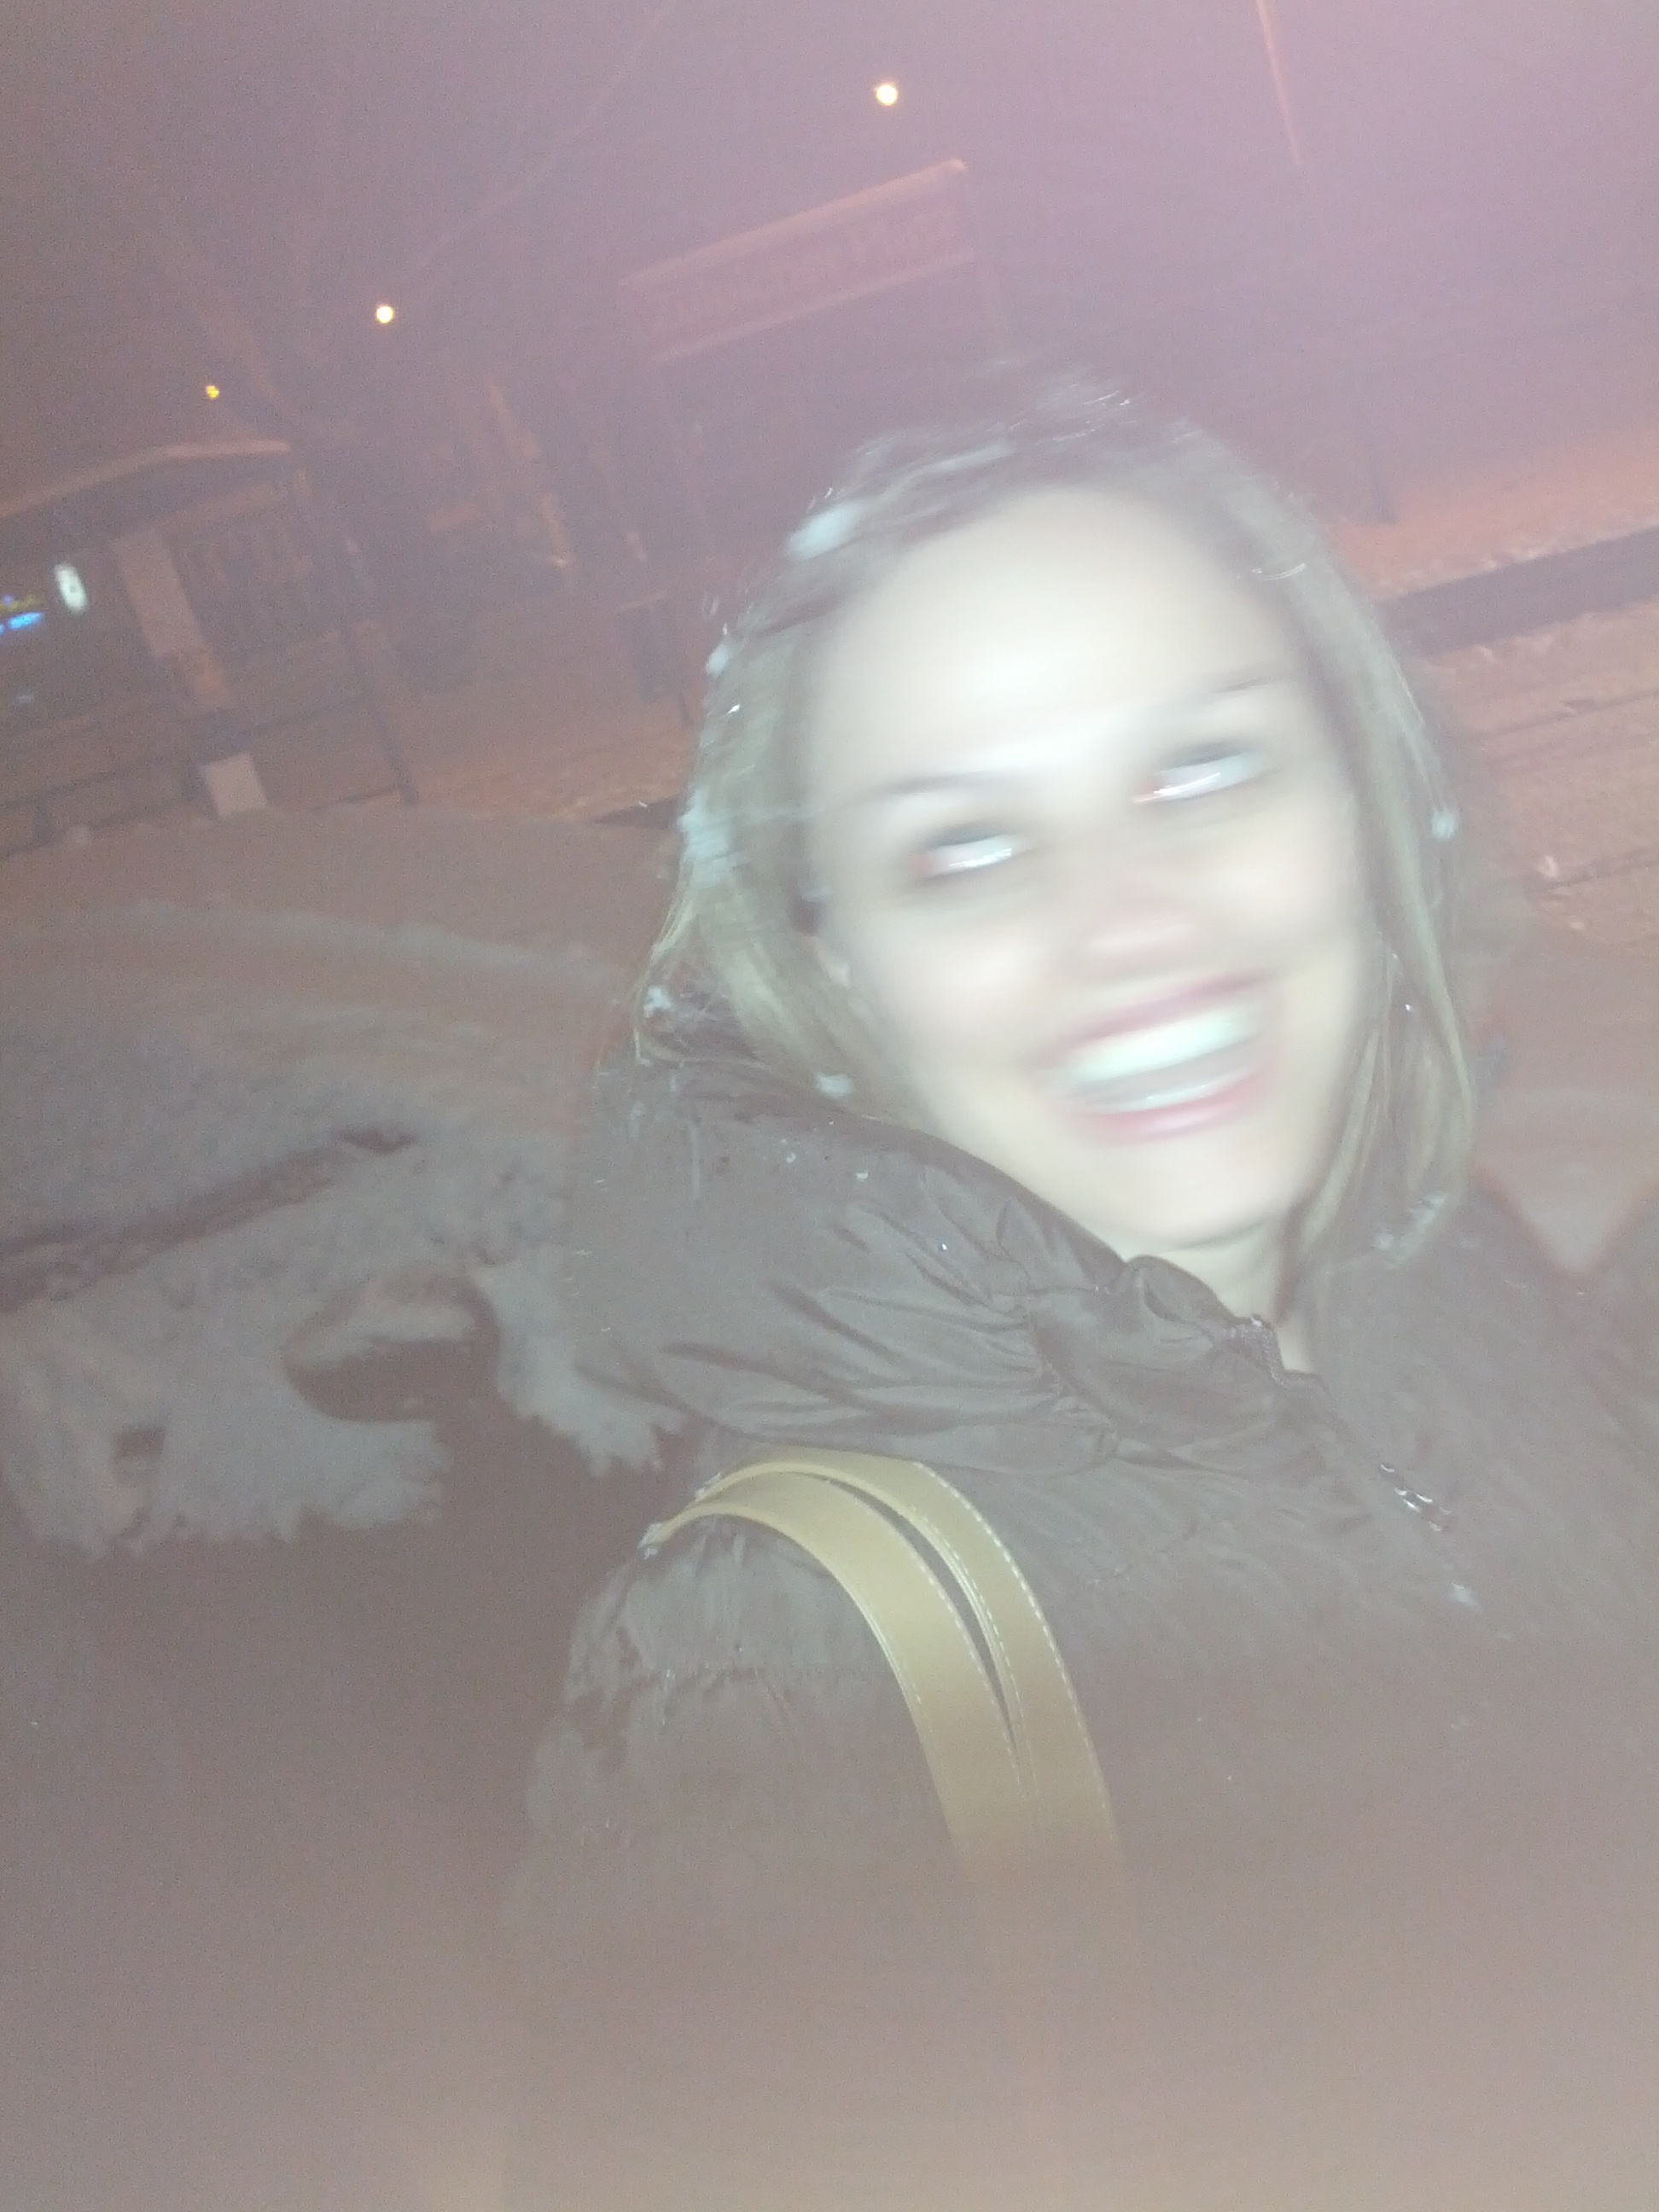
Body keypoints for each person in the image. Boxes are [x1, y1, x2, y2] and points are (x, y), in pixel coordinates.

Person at [505, 378, 1659, 2209]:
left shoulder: (1454, 1284)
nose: (1130, 923)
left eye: (1202, 771)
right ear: (835, 972)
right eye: (964, 850)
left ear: (1367, 802)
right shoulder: (781, 1664)